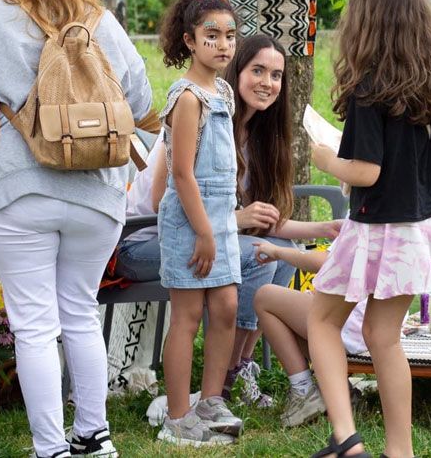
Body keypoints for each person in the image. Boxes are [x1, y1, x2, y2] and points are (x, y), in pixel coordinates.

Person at [0, 0, 155, 458]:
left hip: (18, 189)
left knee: (34, 324)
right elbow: (141, 97)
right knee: (80, 311)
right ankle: (94, 436)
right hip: (97, 188)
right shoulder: (99, 19)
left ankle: (50, 448)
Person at [117, 34, 342, 407]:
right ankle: (222, 381)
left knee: (280, 251)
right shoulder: (201, 112)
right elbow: (162, 200)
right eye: (257, 70)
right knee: (257, 252)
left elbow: (262, 220)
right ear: (236, 71)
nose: (267, 83)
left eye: (276, 75)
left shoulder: (259, 137)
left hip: (210, 236)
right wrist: (235, 219)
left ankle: (238, 367)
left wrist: (322, 229)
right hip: (147, 238)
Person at [306, 0, 431, 458]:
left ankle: (346, 438)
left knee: (321, 321)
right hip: (417, 225)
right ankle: (400, 452)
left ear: (366, 22)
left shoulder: (367, 88)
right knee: (385, 337)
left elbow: (366, 172)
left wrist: (324, 158)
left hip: (376, 224)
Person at [150, 0, 247, 446]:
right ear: (189, 41)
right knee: (188, 317)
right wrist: (204, 233)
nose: (223, 45)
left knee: (226, 308)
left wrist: (222, 222)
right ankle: (177, 415)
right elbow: (182, 173)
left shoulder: (223, 90)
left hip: (221, 218)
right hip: (190, 221)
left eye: (230, 35)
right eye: (212, 36)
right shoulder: (187, 97)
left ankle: (210, 400)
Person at [254, 246, 372, 427]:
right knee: (288, 312)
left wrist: (278, 252)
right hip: (372, 325)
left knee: (265, 296)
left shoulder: (363, 219)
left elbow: (328, 263)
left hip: (348, 322)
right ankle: (339, 391)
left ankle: (303, 392)